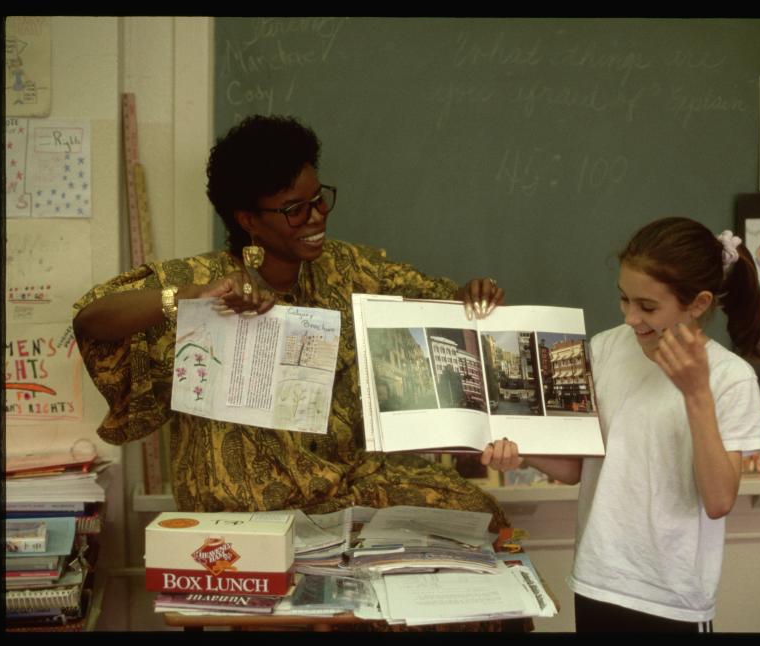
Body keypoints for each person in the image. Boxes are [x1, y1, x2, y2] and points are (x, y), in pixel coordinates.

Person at [72, 114, 511, 531]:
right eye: (294, 209)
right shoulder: (199, 280)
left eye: (319, 199)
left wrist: (471, 294)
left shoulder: (348, 267)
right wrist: (186, 299)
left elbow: (433, 301)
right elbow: (92, 319)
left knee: (481, 517)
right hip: (242, 507)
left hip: (347, 490)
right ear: (248, 220)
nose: (316, 215)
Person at [482, 217, 760, 633]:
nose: (632, 317)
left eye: (648, 307)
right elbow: (577, 469)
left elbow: (719, 500)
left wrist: (696, 394)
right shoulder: (604, 349)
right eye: (624, 300)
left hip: (673, 599)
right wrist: (520, 446)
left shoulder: (730, 377)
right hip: (598, 582)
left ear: (699, 304)